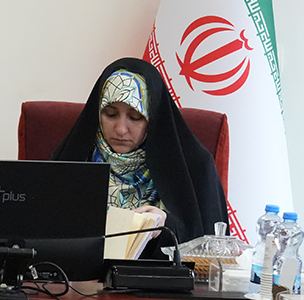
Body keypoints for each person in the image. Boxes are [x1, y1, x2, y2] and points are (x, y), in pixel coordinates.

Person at [52, 57, 228, 246]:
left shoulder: (194, 168)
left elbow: (213, 250)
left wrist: (167, 225)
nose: (121, 129)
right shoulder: (71, 158)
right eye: (110, 114)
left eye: (135, 117)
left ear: (153, 117)